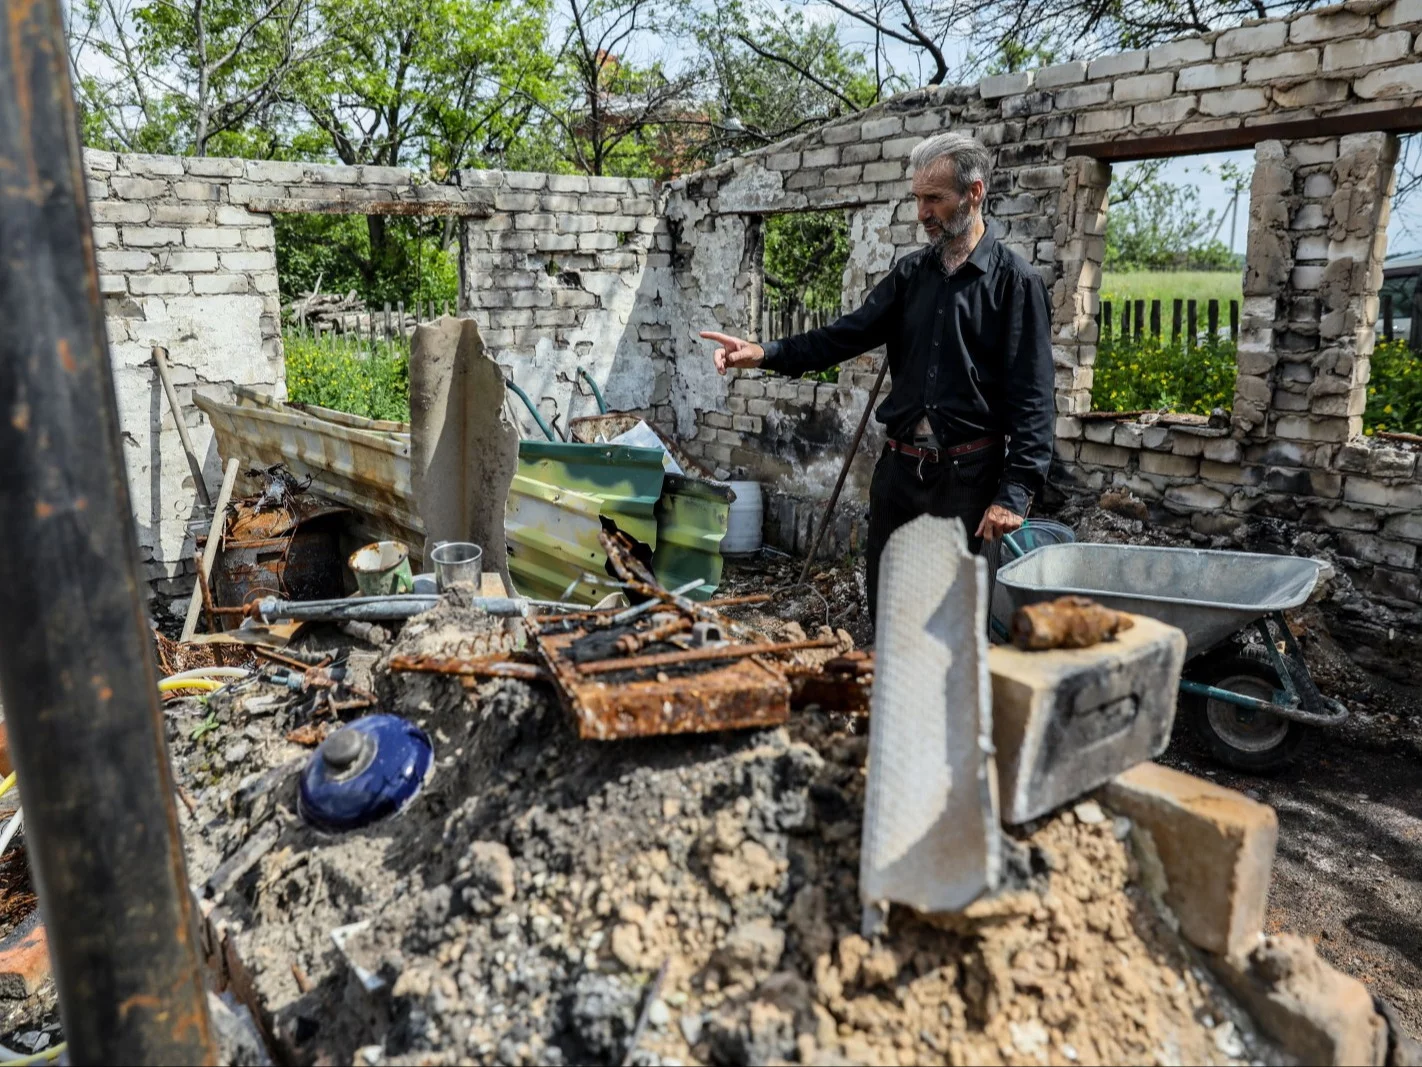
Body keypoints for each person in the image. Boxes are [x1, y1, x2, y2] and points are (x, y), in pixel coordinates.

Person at [700, 131, 1055, 622]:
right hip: (899, 475)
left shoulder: (1016, 283)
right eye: (918, 199)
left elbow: (1034, 398)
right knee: (889, 610)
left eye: (934, 198)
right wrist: (764, 353)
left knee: (952, 621)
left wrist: (1014, 493)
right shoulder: (911, 276)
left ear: (974, 193)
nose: (922, 212)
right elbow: (842, 336)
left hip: (969, 482)